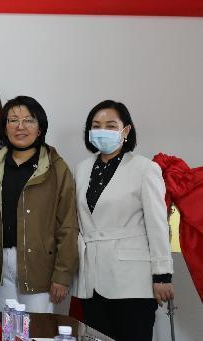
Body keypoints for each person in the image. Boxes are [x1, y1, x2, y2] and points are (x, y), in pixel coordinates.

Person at [71, 100, 173, 341]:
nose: (102, 131)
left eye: (110, 125)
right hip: (91, 278)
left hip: (132, 279)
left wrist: (162, 275)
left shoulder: (144, 168)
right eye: (96, 125)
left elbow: (157, 225)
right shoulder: (82, 169)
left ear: (126, 130)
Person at [0, 96, 78, 313]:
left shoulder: (56, 168)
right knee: (7, 326)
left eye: (29, 120)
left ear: (40, 128)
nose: (20, 127)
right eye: (13, 120)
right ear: (5, 128)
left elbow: (68, 224)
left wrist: (62, 274)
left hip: (40, 266)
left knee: (37, 328)